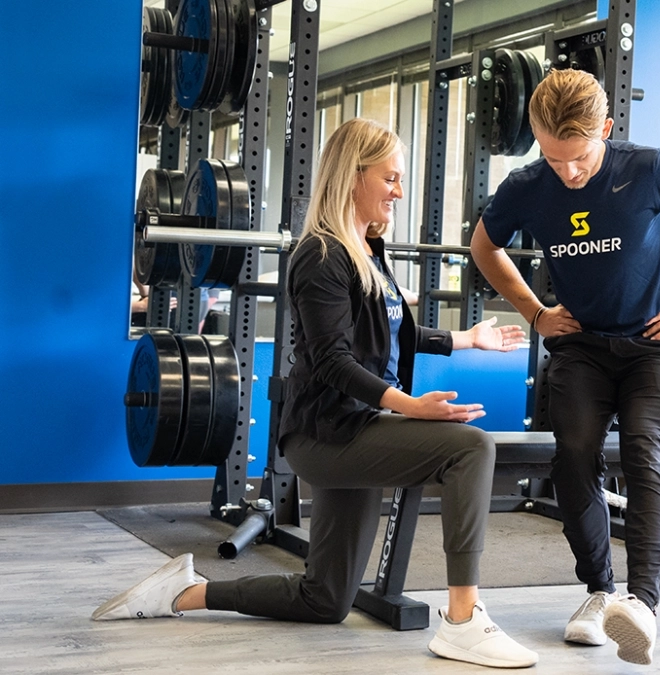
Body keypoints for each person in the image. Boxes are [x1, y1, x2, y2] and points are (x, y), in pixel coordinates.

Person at [94, 118, 539, 670]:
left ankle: (184, 592)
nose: (399, 191)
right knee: (470, 447)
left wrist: (466, 337)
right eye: (391, 178)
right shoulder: (321, 255)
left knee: (325, 600)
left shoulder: (368, 249)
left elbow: (386, 333)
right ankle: (464, 621)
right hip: (326, 435)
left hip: (356, 427)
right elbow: (332, 359)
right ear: (354, 177)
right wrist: (409, 406)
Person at [469, 68, 660, 665]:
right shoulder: (527, 185)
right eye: (552, 157)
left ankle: (642, 605)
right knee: (572, 454)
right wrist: (536, 312)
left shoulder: (649, 169)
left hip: (654, 346)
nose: (566, 172)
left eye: (577, 158)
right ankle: (599, 592)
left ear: (606, 127)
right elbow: (483, 246)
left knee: (649, 450)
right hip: (581, 347)